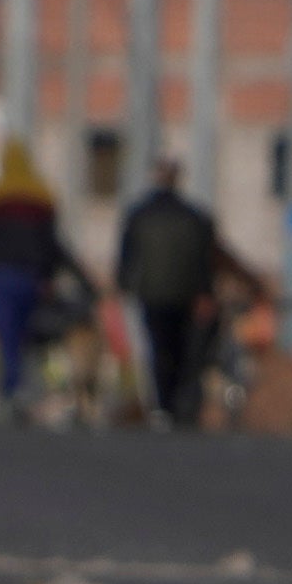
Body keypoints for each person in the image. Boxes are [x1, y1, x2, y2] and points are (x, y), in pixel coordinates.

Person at [114, 157, 225, 426]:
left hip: (151, 293)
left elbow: (127, 255)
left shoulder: (139, 214)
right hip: (185, 293)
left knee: (159, 347)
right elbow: (205, 260)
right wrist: (206, 292)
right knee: (182, 348)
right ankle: (178, 403)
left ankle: (164, 404)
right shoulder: (195, 216)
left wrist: (123, 283)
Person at [0, 151, 69, 405]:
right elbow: (50, 242)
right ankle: (19, 384)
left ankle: (11, 386)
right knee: (24, 332)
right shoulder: (42, 198)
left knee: (6, 333)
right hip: (30, 277)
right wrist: (48, 275)